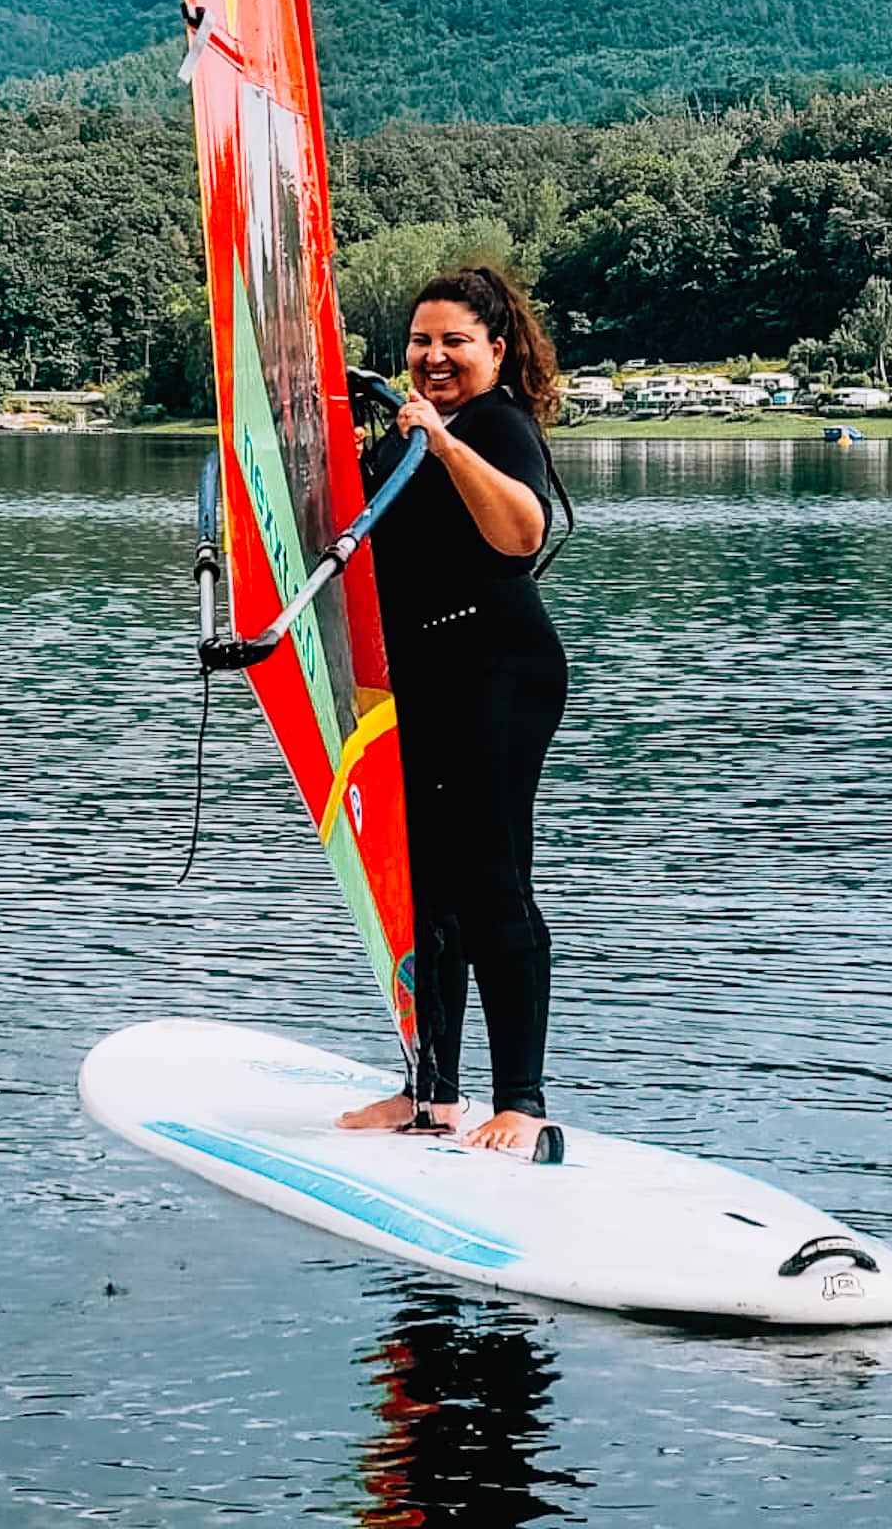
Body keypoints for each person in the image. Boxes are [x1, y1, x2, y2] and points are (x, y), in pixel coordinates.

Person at [336, 265, 568, 1155]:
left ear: (496, 351)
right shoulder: (403, 439)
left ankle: (522, 1099)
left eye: (455, 342)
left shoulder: (498, 425)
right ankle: (429, 1093)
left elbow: (521, 533)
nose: (433, 357)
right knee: (426, 890)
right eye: (421, 341)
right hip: (422, 679)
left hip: (496, 670)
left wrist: (442, 439)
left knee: (492, 882)